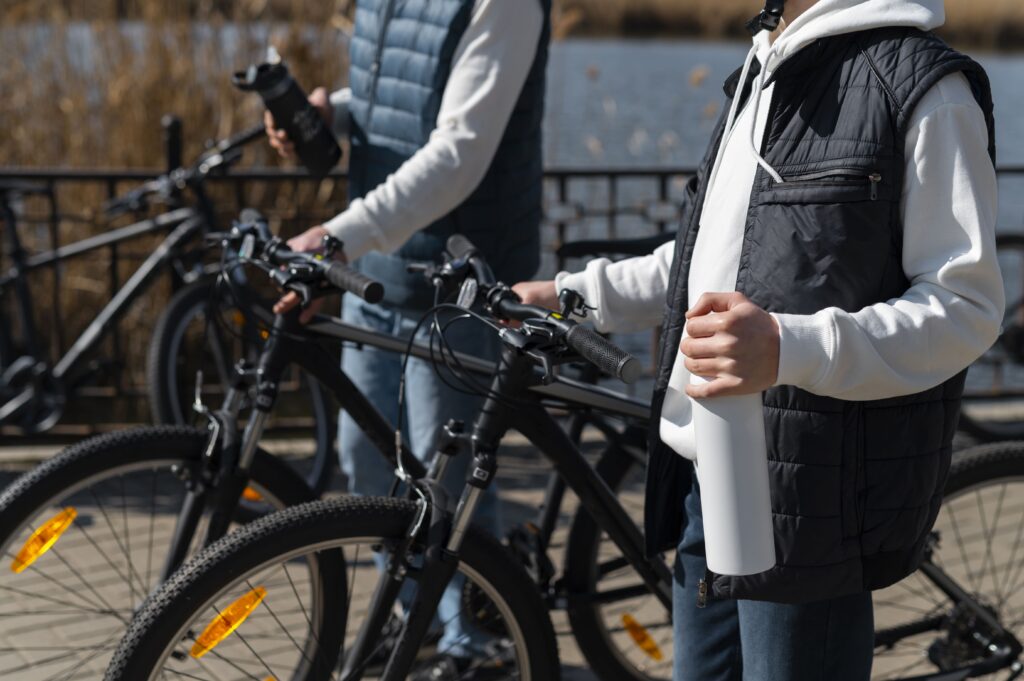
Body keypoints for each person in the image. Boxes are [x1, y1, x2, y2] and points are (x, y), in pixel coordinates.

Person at [514, 0, 1003, 678]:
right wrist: (577, 294)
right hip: (703, 468)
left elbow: (966, 307)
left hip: (810, 498)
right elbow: (707, 254)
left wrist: (786, 346)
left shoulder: (926, 86)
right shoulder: (768, 64)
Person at [266, 1, 551, 677]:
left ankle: (477, 641)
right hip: (377, 275)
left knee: (446, 483)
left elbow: (459, 152)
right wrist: (333, 113)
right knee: (367, 470)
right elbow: (402, 94)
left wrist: (339, 236)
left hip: (457, 285)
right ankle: (414, 615)